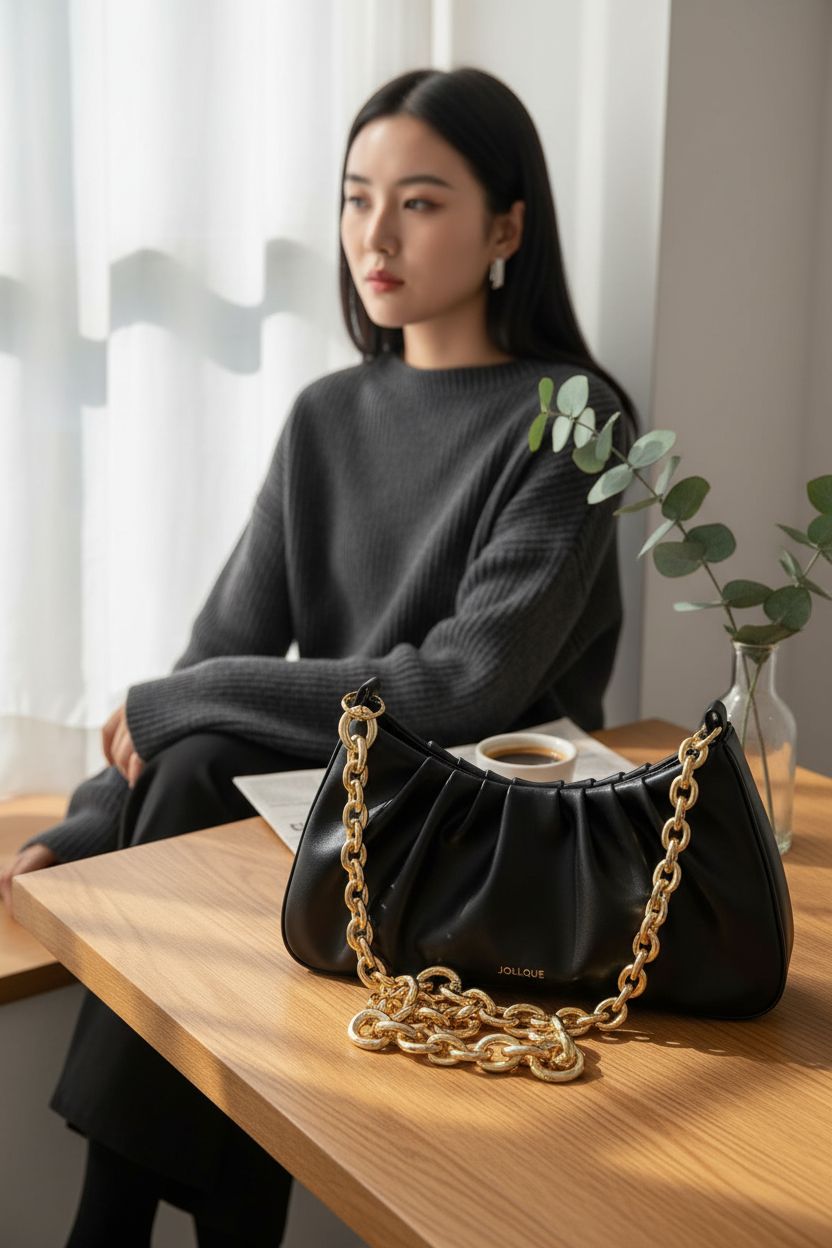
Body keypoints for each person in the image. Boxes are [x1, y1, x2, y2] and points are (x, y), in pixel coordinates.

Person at [0, 65, 637, 1247]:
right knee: (194, 772)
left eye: (420, 202)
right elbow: (225, 647)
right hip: (321, 818)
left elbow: (466, 687)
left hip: (479, 827)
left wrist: (176, 704)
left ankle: (114, 1227)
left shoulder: (573, 416)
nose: (374, 237)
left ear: (507, 226)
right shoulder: (327, 416)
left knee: (199, 761)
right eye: (355, 199)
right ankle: (214, 1228)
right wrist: (88, 825)